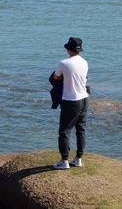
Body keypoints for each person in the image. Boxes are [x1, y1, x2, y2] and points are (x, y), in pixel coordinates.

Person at [52, 37, 89, 170]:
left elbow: (55, 78)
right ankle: (78, 159)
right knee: (81, 129)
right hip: (85, 98)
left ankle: (64, 161)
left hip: (71, 101)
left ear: (69, 49)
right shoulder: (85, 62)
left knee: (64, 131)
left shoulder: (64, 63)